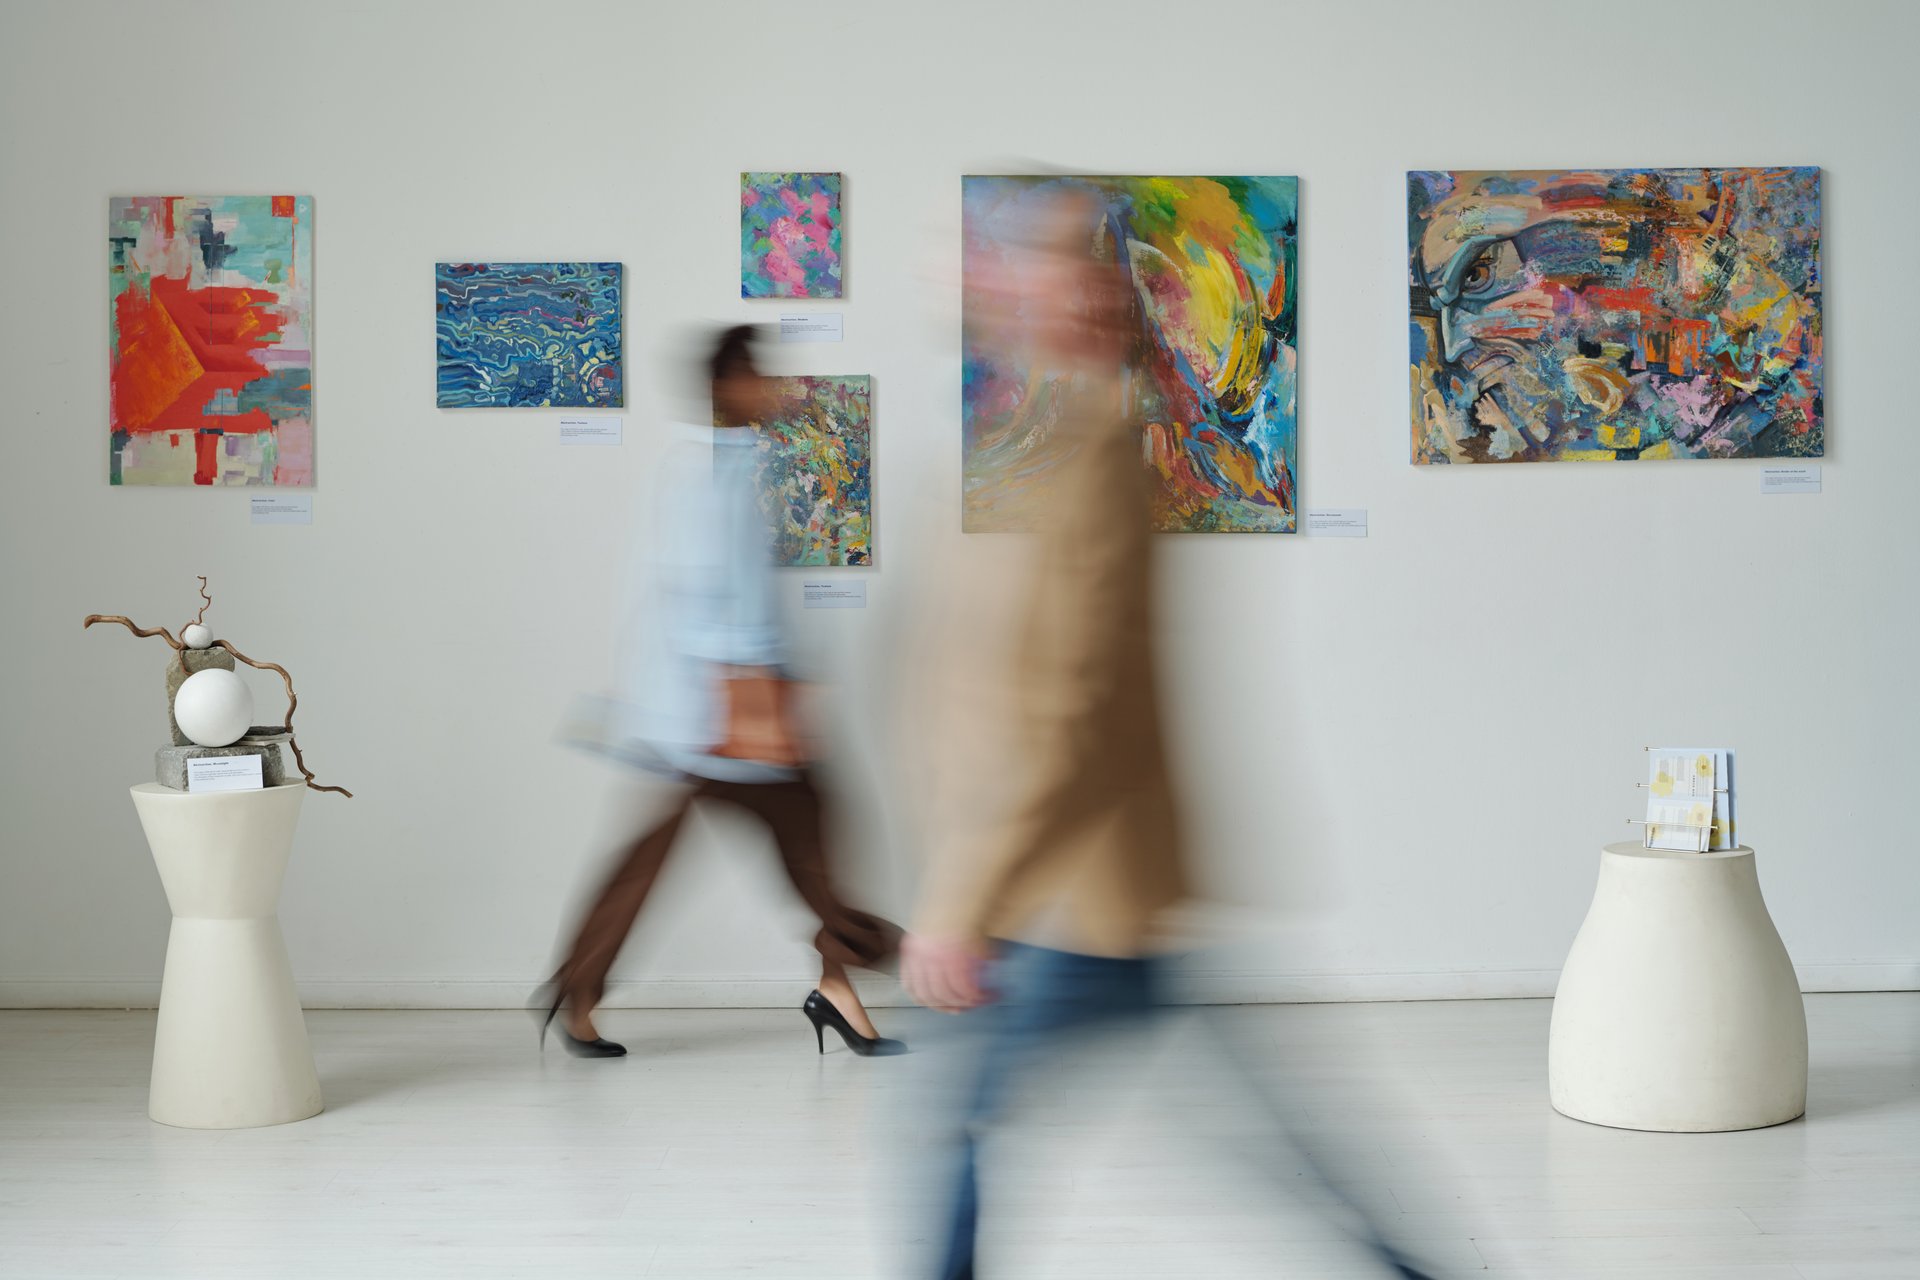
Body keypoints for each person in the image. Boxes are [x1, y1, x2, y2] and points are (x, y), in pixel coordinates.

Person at [901, 190, 1186, 1277]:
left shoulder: (1084, 449)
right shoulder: (1019, 436)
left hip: (1069, 881)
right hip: (1051, 873)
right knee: (1261, 1140)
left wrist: (961, 901)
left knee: (954, 1127)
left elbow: (1071, 706)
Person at [539, 325, 901, 1059]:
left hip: (710, 715)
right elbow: (713, 596)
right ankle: (876, 965)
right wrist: (769, 697)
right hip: (729, 716)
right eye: (758, 375)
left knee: (674, 853)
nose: (772, 389)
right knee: (812, 842)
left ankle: (577, 990)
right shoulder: (712, 473)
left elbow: (721, 594)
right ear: (728, 385)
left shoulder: (716, 464)